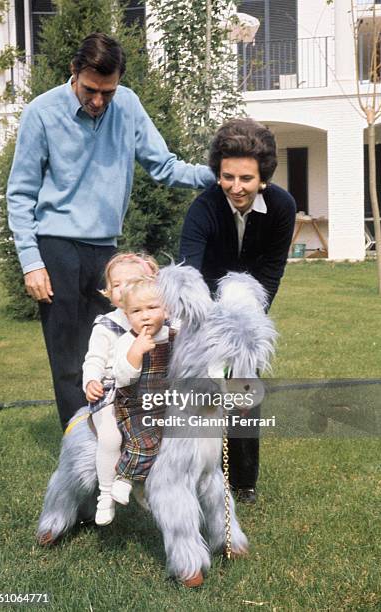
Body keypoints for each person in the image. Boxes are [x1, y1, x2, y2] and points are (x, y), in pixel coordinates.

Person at [6, 32, 215, 431]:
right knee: (68, 355)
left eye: (108, 91)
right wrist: (31, 262)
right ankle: (78, 439)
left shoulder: (130, 106)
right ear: (74, 72)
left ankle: (117, 433)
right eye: (90, 90)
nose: (99, 101)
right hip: (56, 248)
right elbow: (20, 193)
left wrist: (218, 176)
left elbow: (164, 166)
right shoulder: (42, 112)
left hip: (108, 256)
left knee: (119, 344)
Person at [179, 118, 296, 503]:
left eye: (246, 178)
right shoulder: (203, 208)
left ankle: (243, 482)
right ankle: (194, 473)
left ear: (263, 176)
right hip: (206, 307)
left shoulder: (282, 206)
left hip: (248, 305)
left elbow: (270, 272)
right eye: (227, 177)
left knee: (245, 389)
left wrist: (243, 329)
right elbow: (190, 272)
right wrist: (210, 330)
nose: (236, 187)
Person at [82, 252, 158, 526]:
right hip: (112, 392)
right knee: (112, 437)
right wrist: (91, 380)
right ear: (108, 291)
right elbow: (94, 359)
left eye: (133, 281)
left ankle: (139, 482)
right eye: (116, 284)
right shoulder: (107, 325)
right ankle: (105, 494)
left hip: (147, 392)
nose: (124, 288)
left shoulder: (154, 314)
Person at [111, 277, 175, 512]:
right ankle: (124, 477)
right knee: (145, 443)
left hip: (166, 405)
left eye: (152, 308)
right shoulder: (127, 341)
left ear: (166, 310)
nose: (145, 316)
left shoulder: (173, 335)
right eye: (136, 311)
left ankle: (152, 484)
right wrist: (136, 353)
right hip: (136, 405)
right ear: (127, 316)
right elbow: (122, 378)